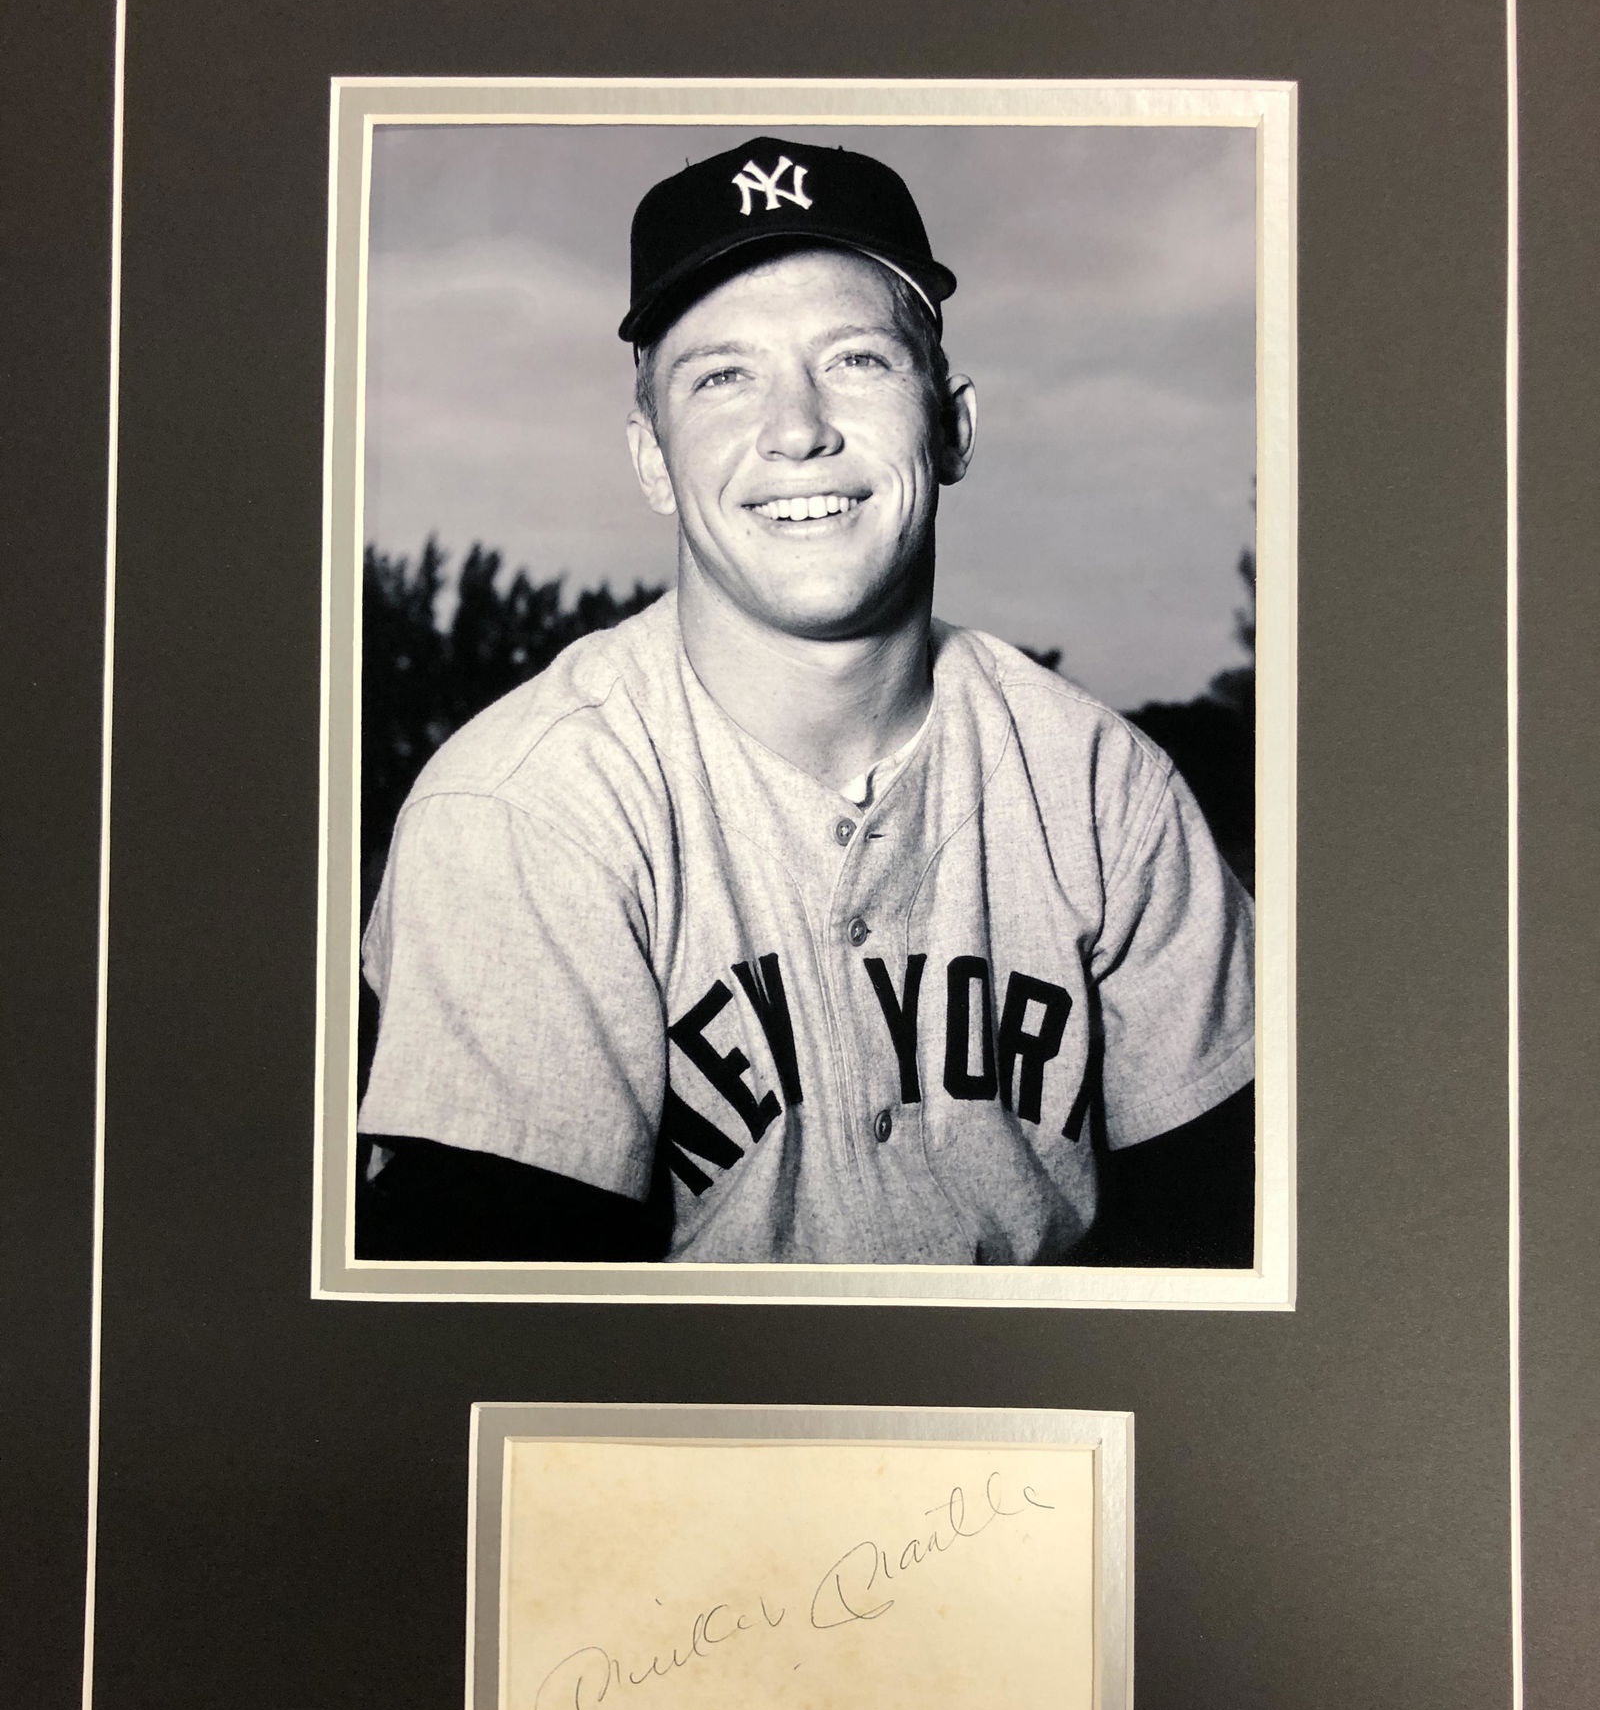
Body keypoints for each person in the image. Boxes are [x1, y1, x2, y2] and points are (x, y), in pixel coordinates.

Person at [357, 135, 1255, 1266]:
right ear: (649, 458)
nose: (797, 429)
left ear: (953, 426)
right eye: (722, 376)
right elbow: (505, 1353)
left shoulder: (1098, 785)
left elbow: (1228, 1251)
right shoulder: (525, 808)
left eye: (856, 362)